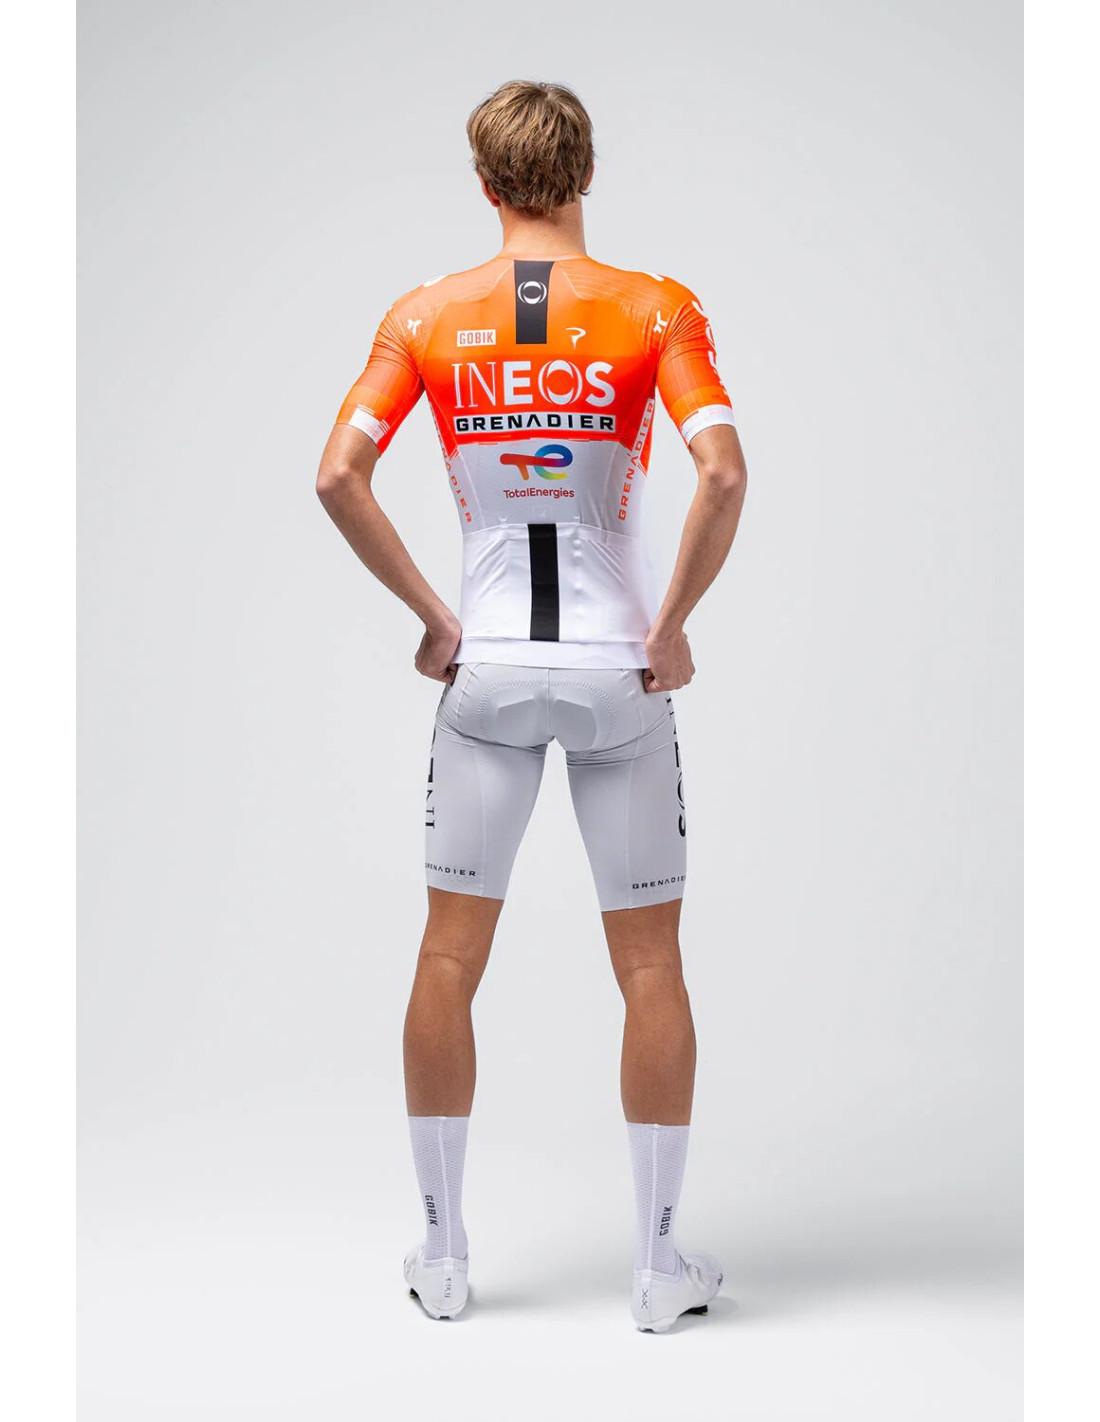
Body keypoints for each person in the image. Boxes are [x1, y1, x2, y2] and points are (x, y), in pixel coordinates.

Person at [316, 80, 748, 1332]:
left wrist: (434, 618)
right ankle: (657, 1271)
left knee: (448, 956)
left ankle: (444, 1257)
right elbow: (721, 471)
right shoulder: (655, 308)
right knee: (650, 963)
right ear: (586, 172)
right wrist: (671, 624)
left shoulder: (422, 316)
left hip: (488, 671)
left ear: (484, 183)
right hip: (619, 671)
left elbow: (338, 474)